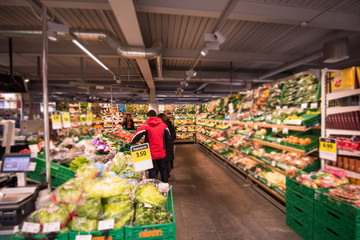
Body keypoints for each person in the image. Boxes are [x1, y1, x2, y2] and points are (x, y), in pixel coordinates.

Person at [131, 110, 171, 183]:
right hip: (161, 151)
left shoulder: (145, 126)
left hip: (150, 152)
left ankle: (154, 186)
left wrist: (131, 142)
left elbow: (136, 136)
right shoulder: (164, 125)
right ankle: (165, 185)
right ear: (156, 116)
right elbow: (168, 138)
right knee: (163, 168)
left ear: (148, 117)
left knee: (152, 169)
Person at [158, 113, 176, 177]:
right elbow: (174, 136)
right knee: (167, 161)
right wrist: (170, 141)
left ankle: (163, 174)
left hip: (161, 145)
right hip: (169, 145)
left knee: (162, 161)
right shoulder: (170, 125)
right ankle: (167, 174)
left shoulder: (159, 126)